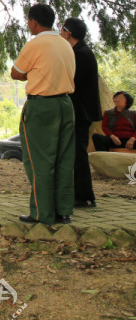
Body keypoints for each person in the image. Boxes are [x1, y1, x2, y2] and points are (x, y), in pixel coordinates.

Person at [10, 3, 76, 225]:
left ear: (34, 21)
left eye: (28, 21)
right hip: (66, 105)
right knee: (64, 158)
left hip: (42, 106)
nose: (28, 24)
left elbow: (16, 73)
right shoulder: (66, 44)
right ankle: (63, 210)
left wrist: (32, 75)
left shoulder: (35, 44)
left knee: (40, 160)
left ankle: (42, 213)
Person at [61, 17, 101, 208]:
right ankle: (77, 193)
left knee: (78, 153)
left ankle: (85, 196)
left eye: (62, 31)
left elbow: (70, 81)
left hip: (81, 111)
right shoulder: (77, 52)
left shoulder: (81, 54)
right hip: (77, 110)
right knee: (74, 153)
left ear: (68, 33)